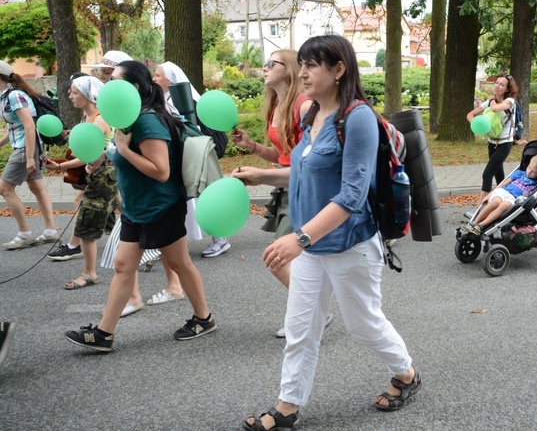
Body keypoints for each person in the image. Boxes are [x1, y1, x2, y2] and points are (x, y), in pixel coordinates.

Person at [241, 35, 419, 430]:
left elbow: (353, 195)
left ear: (339, 70)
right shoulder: (310, 115)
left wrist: (299, 237)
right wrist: (261, 175)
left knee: (363, 324)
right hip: (312, 249)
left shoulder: (357, 119)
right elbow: (304, 170)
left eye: (312, 65)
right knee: (301, 330)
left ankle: (406, 373)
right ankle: (287, 408)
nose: (302, 72)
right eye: (300, 64)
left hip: (348, 244)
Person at [65, 61, 217, 352]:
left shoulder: (147, 121)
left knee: (179, 263)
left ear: (134, 88)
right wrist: (107, 155)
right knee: (124, 266)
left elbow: (160, 170)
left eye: (116, 82)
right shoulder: (130, 119)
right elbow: (126, 150)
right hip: (137, 208)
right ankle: (103, 334)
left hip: (161, 207)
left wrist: (121, 149)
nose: (109, 87)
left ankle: (204, 317)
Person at [231, 50, 337, 339]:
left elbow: (311, 162)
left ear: (288, 69)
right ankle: (313, 311)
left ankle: (316, 312)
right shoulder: (277, 104)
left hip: (303, 188)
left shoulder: (303, 106)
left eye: (271, 64)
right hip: (287, 184)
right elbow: (284, 156)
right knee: (300, 258)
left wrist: (261, 175)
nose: (264, 68)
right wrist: (252, 146)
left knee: (279, 258)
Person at [45, 76, 117, 289]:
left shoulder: (98, 121)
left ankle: (89, 274)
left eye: (74, 92)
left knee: (86, 227)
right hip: (101, 176)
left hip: (101, 178)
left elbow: (89, 156)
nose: (70, 95)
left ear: (87, 95)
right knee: (116, 223)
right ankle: (148, 253)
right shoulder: (90, 118)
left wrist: (59, 166)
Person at [154, 61, 230, 258]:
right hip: (181, 156)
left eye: (158, 75)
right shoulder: (165, 99)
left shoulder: (185, 102)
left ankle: (220, 238)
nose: (154, 79)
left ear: (170, 80)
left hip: (196, 157)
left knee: (204, 195)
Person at [0, 60, 59, 249]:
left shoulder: (14, 95)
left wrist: (29, 158)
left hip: (26, 148)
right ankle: (50, 231)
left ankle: (24, 233)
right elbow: (15, 127)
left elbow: (29, 126)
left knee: (5, 189)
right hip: (26, 146)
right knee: (37, 187)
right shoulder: (6, 96)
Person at [460, 153, 537, 235]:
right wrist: (490, 194)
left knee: (504, 205)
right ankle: (474, 223)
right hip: (503, 191)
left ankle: (481, 225)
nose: (529, 172)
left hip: (514, 199)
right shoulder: (519, 173)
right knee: (495, 202)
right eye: (529, 167)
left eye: (533, 171)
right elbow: (503, 184)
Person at [466, 74, 520, 200]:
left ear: (507, 89)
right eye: (496, 83)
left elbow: (495, 108)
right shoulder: (490, 102)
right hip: (492, 142)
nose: (497, 86)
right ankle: (504, 201)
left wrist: (491, 101)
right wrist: (477, 126)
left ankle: (480, 208)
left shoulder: (510, 102)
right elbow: (469, 115)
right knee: (499, 176)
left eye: (502, 85)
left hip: (504, 143)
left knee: (487, 174)